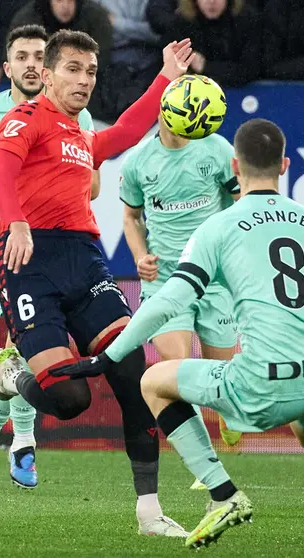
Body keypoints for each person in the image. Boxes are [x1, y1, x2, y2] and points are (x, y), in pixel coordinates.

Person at [49, 119, 304, 554]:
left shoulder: (218, 227)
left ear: (234, 165)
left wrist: (110, 355)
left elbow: (170, 301)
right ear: (284, 165)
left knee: (153, 382)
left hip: (264, 381)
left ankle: (223, 494)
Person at [0, 29, 196, 536]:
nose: (83, 80)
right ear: (48, 73)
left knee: (133, 377)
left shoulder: (81, 137)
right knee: (70, 400)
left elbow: (124, 131)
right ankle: (14, 379)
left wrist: (166, 77)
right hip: (30, 262)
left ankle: (149, 513)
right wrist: (14, 221)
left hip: (84, 261)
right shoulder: (25, 118)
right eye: (73, 70)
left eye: (91, 72)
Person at [0, 24, 98, 493]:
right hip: (4, 250)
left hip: (54, 249)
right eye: (23, 56)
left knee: (19, 356)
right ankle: (25, 443)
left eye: (40, 55)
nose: (32, 63)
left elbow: (91, 180)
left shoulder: (79, 116)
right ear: (7, 66)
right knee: (26, 350)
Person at [120, 110, 244, 485]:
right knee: (176, 369)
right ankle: (207, 464)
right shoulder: (138, 161)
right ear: (162, 110)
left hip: (216, 278)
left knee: (220, 372)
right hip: (167, 282)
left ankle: (227, 409)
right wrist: (141, 256)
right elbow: (130, 216)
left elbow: (242, 200)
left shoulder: (217, 149)